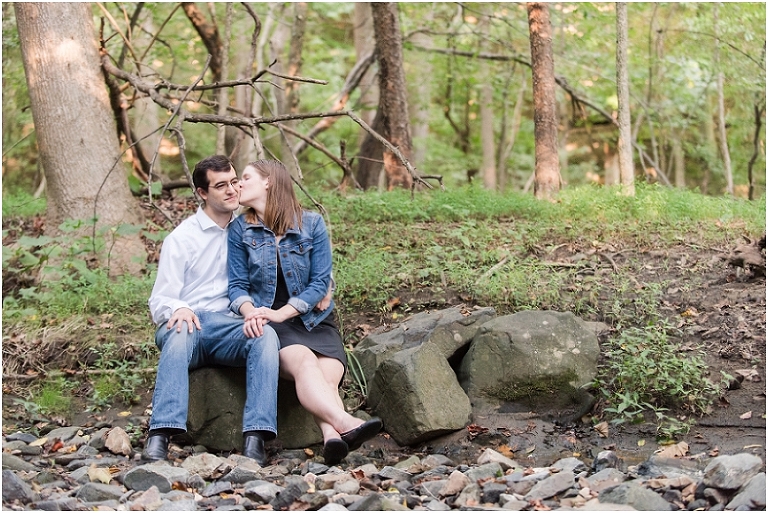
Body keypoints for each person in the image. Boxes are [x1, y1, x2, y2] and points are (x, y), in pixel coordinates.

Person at [227, 159, 382, 466]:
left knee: (327, 376)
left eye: (245, 178)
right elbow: (237, 285)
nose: (238, 185)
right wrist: (252, 312)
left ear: (269, 182)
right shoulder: (239, 229)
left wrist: (283, 312)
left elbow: (320, 282)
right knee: (304, 362)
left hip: (315, 321)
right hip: (273, 326)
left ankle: (332, 437)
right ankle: (347, 423)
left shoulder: (311, 224)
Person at [144, 155, 280, 466]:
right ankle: (160, 434)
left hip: (229, 328)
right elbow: (160, 299)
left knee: (265, 336)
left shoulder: (251, 231)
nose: (232, 190)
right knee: (179, 331)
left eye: (235, 182)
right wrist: (178, 307)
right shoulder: (182, 238)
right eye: (221, 186)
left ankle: (256, 437)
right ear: (202, 193)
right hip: (189, 326)